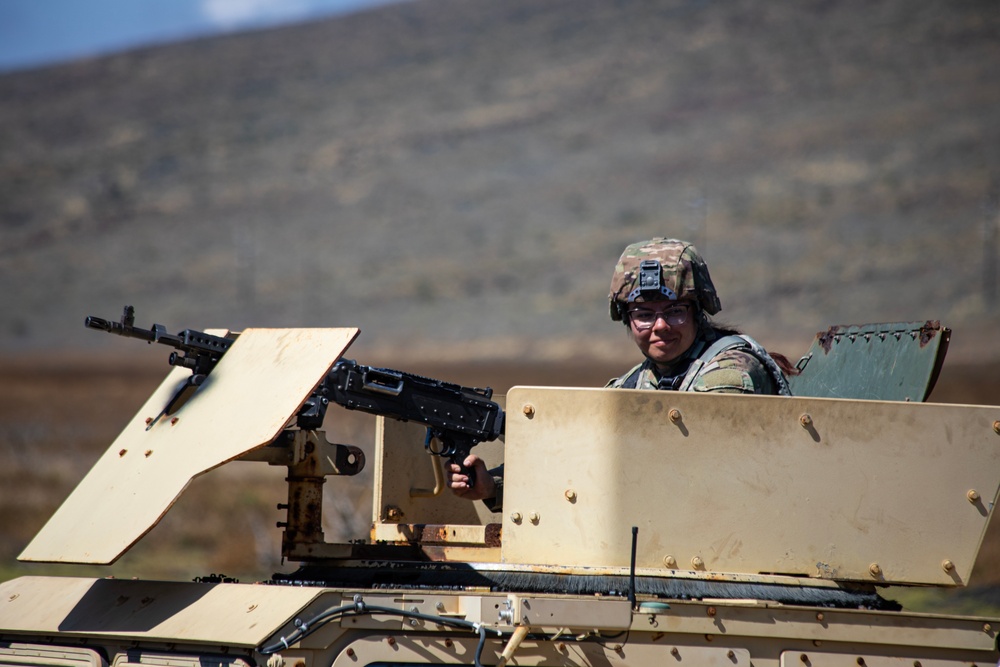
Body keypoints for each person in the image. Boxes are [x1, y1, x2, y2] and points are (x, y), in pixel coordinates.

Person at [447, 237, 794, 511]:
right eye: (643, 314)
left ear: (698, 312)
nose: (659, 327)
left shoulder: (731, 370)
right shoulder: (632, 384)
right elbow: (583, 461)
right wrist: (494, 488)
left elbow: (695, 466)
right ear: (627, 319)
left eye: (675, 311)